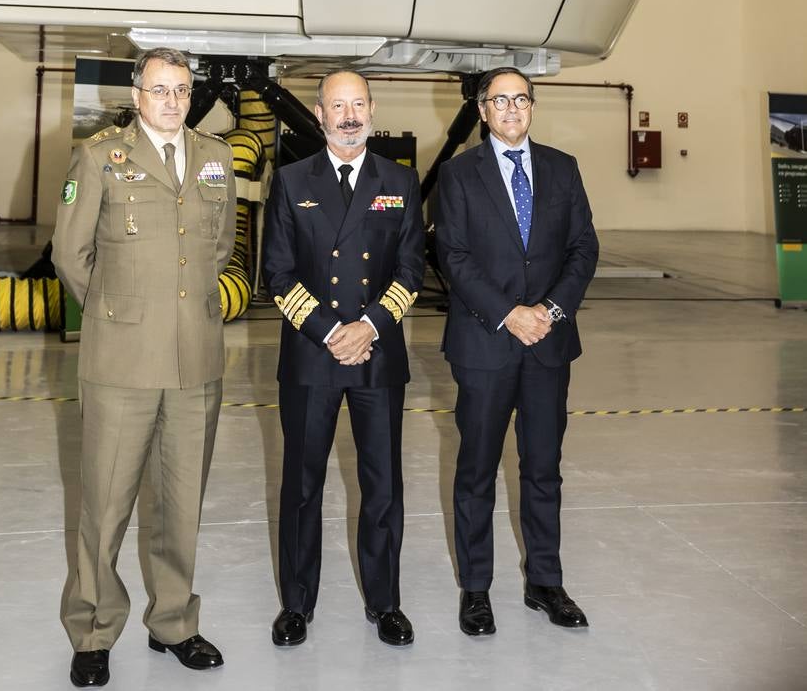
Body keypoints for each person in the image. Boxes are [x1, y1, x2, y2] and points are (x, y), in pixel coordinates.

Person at [52, 47, 236, 687]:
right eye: (160, 90)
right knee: (104, 507)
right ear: (137, 95)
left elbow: (219, 247)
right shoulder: (102, 157)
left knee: (182, 505)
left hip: (196, 361)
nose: (173, 101)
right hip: (122, 362)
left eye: (182, 90)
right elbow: (71, 254)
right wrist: (118, 312)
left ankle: (175, 623)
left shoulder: (215, 158)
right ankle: (94, 630)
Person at [262, 70, 424, 649]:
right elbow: (276, 275)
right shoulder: (289, 181)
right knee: (301, 486)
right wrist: (332, 330)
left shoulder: (400, 181)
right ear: (320, 113)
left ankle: (386, 603)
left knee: (381, 484)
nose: (349, 115)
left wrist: (370, 327)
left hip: (378, 356)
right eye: (338, 106)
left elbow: (412, 270)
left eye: (358, 104)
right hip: (312, 355)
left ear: (372, 110)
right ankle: (297, 604)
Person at [435, 66, 599, 637]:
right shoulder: (459, 176)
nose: (511, 109)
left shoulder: (562, 168)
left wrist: (549, 312)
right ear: (482, 110)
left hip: (548, 348)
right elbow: (452, 257)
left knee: (544, 469)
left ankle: (545, 582)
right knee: (477, 470)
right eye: (499, 100)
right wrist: (510, 313)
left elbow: (583, 249)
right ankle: (476, 590)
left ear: (533, 106)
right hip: (485, 344)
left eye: (521, 99)